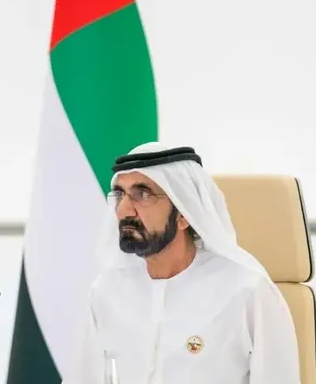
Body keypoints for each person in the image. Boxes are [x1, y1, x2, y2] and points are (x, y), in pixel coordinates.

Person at [62, 142, 301, 384]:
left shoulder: (246, 290)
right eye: (120, 195)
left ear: (185, 214)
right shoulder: (106, 292)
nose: (123, 210)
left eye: (141, 194)